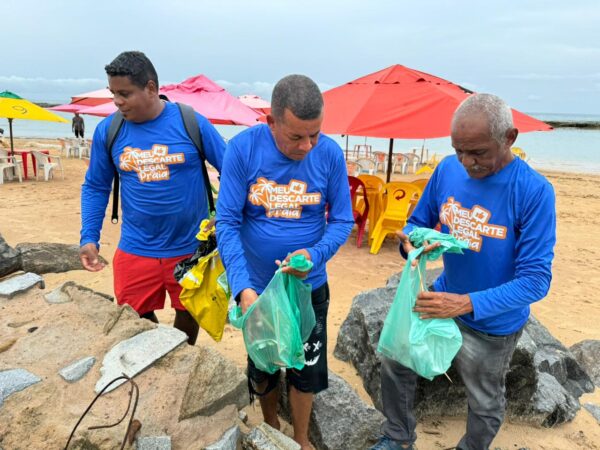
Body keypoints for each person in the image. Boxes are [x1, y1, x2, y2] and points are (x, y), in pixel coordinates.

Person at [370, 93, 556, 450]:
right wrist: (411, 242)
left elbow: (535, 281)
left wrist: (465, 303)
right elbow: (418, 223)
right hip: (443, 297)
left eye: (478, 153)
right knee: (395, 358)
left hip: (492, 323)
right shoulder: (447, 170)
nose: (467, 162)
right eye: (459, 151)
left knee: (484, 399)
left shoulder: (533, 192)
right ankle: (397, 436)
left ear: (510, 138)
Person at [216, 75, 354, 450]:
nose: (307, 146)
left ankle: (301, 438)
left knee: (306, 367)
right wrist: (243, 287)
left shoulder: (329, 154)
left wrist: (315, 254)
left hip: (309, 287)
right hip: (258, 288)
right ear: (271, 122)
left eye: (314, 134)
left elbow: (343, 220)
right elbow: (226, 222)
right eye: (296, 137)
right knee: (264, 364)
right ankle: (271, 425)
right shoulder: (242, 149)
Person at [79, 51, 226, 345]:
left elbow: (233, 171)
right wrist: (89, 236)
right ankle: (159, 348)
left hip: (190, 248)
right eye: (113, 93)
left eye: (124, 93)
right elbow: (95, 186)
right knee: (134, 318)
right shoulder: (109, 130)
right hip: (136, 247)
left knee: (190, 312)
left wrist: (222, 215)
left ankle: (181, 354)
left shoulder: (190, 123)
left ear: (150, 88)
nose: (117, 101)